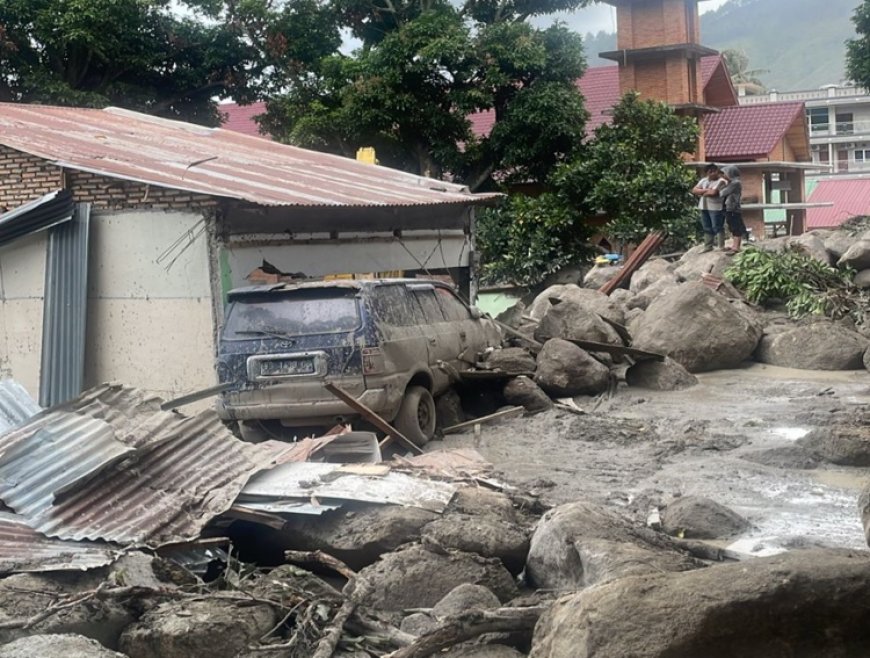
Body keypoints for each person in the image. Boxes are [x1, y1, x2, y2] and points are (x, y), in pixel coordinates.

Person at [691, 164, 727, 252]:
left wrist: (702, 192)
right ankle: (708, 246)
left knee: (717, 226)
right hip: (704, 206)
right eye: (710, 172)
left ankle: (721, 246)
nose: (713, 173)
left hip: (716, 207)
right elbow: (694, 190)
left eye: (715, 171)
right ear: (707, 173)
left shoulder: (721, 181)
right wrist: (706, 191)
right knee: (706, 226)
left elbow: (713, 193)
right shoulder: (704, 180)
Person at [715, 165, 747, 253]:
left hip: (733, 208)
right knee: (732, 226)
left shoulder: (735, 183)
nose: (723, 176)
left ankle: (736, 247)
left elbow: (722, 193)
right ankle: (734, 245)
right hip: (729, 208)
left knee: (735, 226)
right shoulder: (731, 183)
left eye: (725, 173)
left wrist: (719, 187)